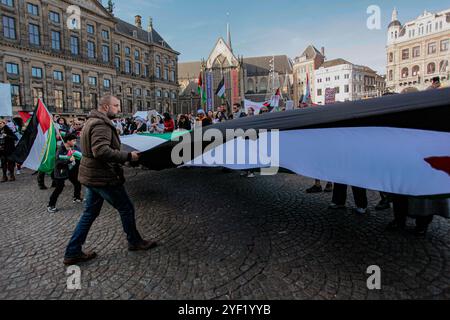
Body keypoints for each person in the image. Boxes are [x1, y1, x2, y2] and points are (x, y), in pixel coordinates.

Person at [63, 95, 156, 265]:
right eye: (116, 105)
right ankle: (134, 241)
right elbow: (101, 151)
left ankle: (72, 251)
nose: (118, 109)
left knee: (89, 213)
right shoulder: (100, 124)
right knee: (126, 208)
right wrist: (128, 156)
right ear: (105, 107)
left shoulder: (92, 121)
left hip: (92, 176)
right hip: (103, 176)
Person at [47, 134, 83, 213]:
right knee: (59, 188)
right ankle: (51, 205)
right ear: (68, 141)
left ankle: (76, 197)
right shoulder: (60, 149)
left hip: (72, 170)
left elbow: (81, 156)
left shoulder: (75, 147)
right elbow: (58, 163)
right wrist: (69, 160)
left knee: (77, 183)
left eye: (75, 140)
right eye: (73, 140)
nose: (75, 142)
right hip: (61, 171)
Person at [0, 118, 17, 182]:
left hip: (9, 150)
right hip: (2, 150)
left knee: (10, 163)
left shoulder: (8, 130)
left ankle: (12, 175)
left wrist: (7, 135)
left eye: (1, 123)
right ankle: (4, 176)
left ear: (4, 124)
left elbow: (15, 138)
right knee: (3, 163)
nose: (0, 125)